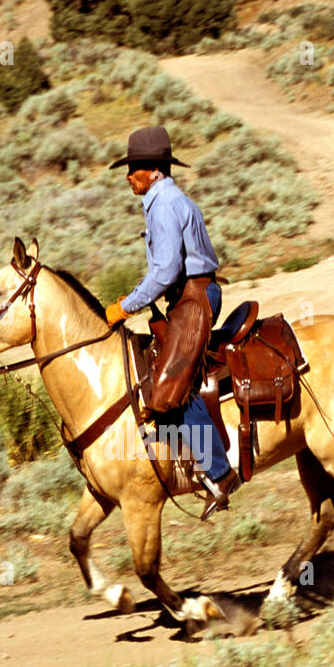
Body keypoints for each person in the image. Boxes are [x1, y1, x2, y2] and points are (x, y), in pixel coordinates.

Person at [105, 125, 240, 520]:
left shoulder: (164, 205)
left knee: (169, 384)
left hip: (193, 297)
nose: (128, 175)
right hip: (189, 295)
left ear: (154, 170)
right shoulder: (166, 199)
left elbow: (165, 272)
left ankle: (219, 473)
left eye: (133, 168)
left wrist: (124, 307)